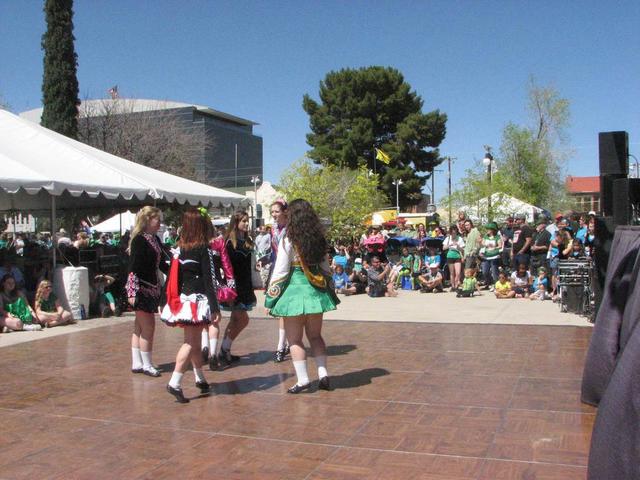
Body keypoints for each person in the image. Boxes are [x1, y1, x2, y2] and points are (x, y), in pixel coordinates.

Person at [265, 199, 339, 393]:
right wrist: (330, 289)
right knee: (316, 336)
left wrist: (270, 297)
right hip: (316, 292)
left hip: (293, 292)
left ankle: (303, 380)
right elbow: (325, 268)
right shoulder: (318, 238)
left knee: (295, 340)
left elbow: (280, 271)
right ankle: (323, 374)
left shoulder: (288, 238)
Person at [161, 208, 221, 403]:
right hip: (198, 301)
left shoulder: (180, 248)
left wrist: (164, 301)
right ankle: (175, 382)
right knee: (190, 343)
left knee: (194, 342)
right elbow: (210, 280)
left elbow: (171, 278)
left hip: (185, 300)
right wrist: (215, 307)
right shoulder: (204, 249)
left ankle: (200, 378)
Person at [126, 206, 168, 377]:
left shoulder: (155, 239)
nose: (160, 223)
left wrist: (175, 268)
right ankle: (147, 364)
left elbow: (161, 263)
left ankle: (137, 361)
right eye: (157, 219)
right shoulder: (139, 240)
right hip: (141, 288)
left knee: (139, 326)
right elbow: (133, 267)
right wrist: (132, 291)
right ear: (148, 220)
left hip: (152, 286)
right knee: (148, 326)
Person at [219, 210, 256, 366]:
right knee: (242, 319)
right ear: (236, 223)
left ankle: (225, 349)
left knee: (236, 319)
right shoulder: (229, 242)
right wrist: (229, 284)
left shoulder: (247, 240)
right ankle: (223, 349)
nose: (246, 224)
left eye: (247, 221)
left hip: (245, 284)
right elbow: (224, 264)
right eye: (243, 221)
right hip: (234, 286)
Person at [201, 222, 235, 370]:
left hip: (199, 285)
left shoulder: (194, 242)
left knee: (203, 318)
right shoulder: (219, 242)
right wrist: (230, 284)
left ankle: (204, 346)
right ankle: (213, 353)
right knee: (214, 318)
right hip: (215, 284)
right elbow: (226, 264)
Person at [269, 199, 290, 363]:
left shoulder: (291, 229)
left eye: (276, 211)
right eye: (272, 212)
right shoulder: (273, 230)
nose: (274, 215)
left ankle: (284, 344)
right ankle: (282, 344)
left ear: (284, 211)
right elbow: (274, 252)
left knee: (287, 310)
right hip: (278, 269)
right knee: (282, 309)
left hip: (290, 271)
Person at [479, 222, 502, 290]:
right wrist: (481, 243)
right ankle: (488, 283)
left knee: (495, 271)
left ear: (492, 230)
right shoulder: (486, 237)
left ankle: (496, 285)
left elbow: (500, 245)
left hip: (494, 256)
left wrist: (495, 247)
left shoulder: (497, 237)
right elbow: (482, 244)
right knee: (485, 271)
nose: (487, 230)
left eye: (489, 229)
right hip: (486, 256)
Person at [443, 225, 465, 291]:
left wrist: (458, 247)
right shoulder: (448, 238)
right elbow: (443, 248)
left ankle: (456, 285)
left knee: (458, 273)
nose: (453, 234)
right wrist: (450, 245)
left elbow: (463, 249)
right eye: (452, 233)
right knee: (452, 273)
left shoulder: (460, 238)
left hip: (457, 255)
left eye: (455, 233)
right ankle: (453, 286)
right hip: (450, 255)